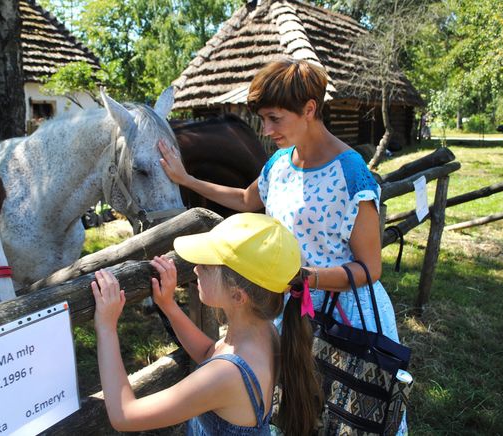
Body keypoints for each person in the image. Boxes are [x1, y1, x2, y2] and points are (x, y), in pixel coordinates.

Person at [159, 58, 406, 434]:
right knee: (298, 413)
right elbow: (245, 199)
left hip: (343, 320)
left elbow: (370, 268)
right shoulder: (278, 163)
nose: (266, 128)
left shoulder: (351, 174)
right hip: (289, 308)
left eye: (275, 118)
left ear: (309, 109)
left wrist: (306, 278)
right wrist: (187, 178)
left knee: (347, 416)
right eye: (263, 118)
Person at [91, 213, 321, 435]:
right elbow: (209, 352)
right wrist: (169, 306)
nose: (195, 269)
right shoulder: (264, 331)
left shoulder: (226, 374)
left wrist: (106, 327)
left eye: (207, 266)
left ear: (238, 296)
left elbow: (124, 415)